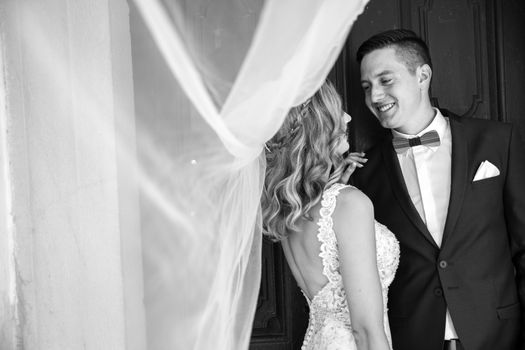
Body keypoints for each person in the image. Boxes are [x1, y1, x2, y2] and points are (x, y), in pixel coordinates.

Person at [352, 29, 525, 350]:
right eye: (367, 87)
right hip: (411, 338)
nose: (374, 96)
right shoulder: (364, 174)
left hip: (498, 335)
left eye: (386, 80)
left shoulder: (497, 141)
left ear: (423, 76)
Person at [261, 80, 399, 350]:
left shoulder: (290, 209)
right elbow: (366, 330)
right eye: (338, 112)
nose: (348, 117)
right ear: (319, 128)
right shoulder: (349, 204)